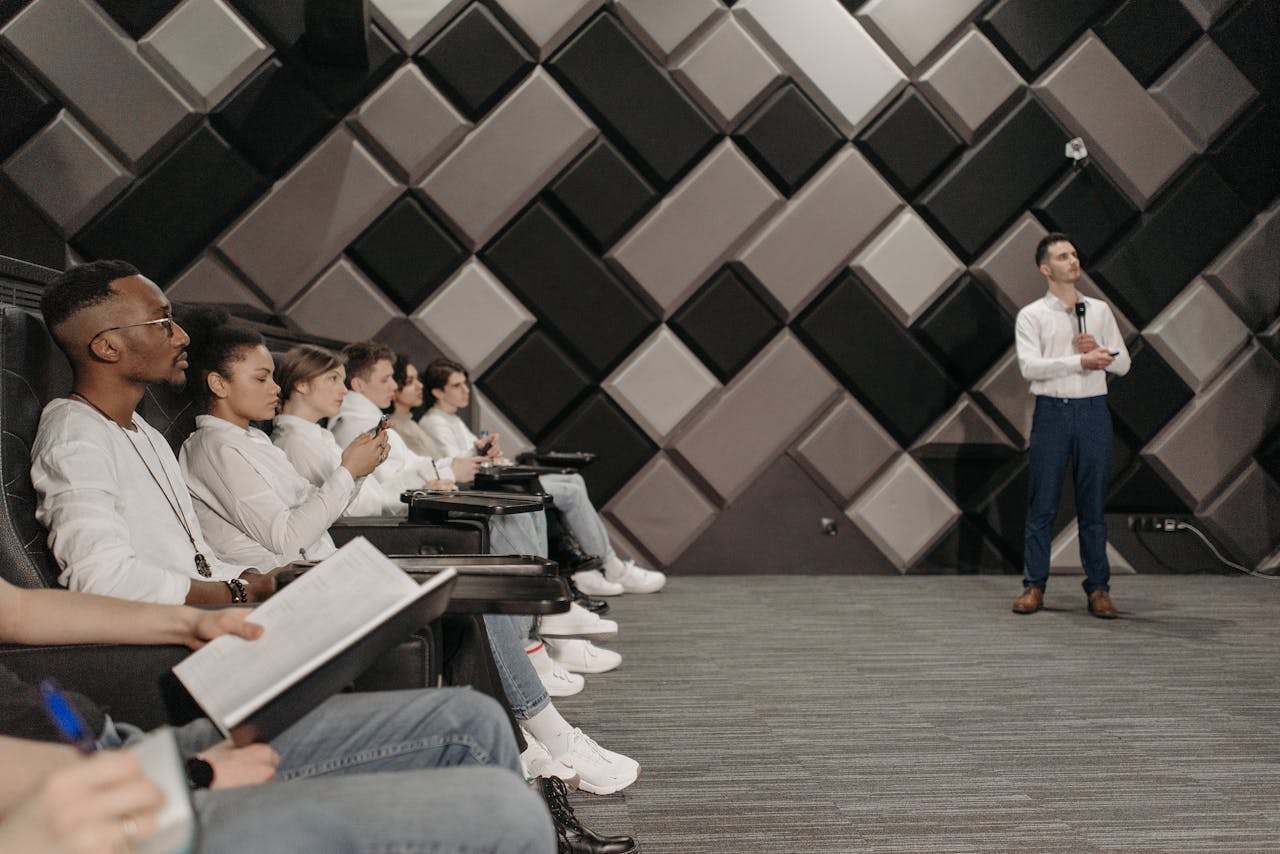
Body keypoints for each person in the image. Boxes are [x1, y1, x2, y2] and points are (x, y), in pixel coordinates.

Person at [25, 260, 634, 850]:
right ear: (106, 346)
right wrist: (246, 591)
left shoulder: (146, 434)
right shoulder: (75, 432)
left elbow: (200, 558)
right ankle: (535, 766)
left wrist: (259, 584)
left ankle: (536, 760)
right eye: (162, 321)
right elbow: (102, 577)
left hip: (235, 614)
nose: (180, 334)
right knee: (449, 612)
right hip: (203, 650)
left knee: (450, 597)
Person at [270, 343, 640, 794]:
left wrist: (402, 472)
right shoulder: (297, 438)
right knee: (472, 586)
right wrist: (369, 473)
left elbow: (357, 493)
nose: (343, 387)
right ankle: (544, 723)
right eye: (333, 379)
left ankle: (534, 711)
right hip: (342, 557)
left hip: (347, 551)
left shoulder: (313, 435)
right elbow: (334, 515)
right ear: (303, 384)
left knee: (490, 557)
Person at [0, 575, 554, 853]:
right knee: (510, 813)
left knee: (470, 719)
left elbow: (18, 609)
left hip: (116, 753)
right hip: (84, 817)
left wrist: (188, 621)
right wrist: (183, 777)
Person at [420, 358, 667, 598]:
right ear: (438, 392)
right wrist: (480, 451)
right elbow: (457, 463)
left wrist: (491, 455)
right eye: (456, 386)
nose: (465, 391)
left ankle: (593, 565)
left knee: (574, 481)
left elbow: (472, 455)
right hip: (481, 489)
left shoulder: (453, 420)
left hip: (493, 481)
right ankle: (609, 566)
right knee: (571, 492)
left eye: (465, 384)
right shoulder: (434, 422)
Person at [1011, 234, 1131, 619]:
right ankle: (1034, 585)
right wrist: (1077, 360)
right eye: (1063, 257)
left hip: (1093, 411)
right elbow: (1029, 367)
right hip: (1053, 413)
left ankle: (1098, 589)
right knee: (1042, 502)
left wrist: (1100, 352)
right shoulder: (1032, 315)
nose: (1073, 261)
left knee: (1093, 504)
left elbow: (1123, 362)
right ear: (1046, 269)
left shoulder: (1098, 310)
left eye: (1075, 254)